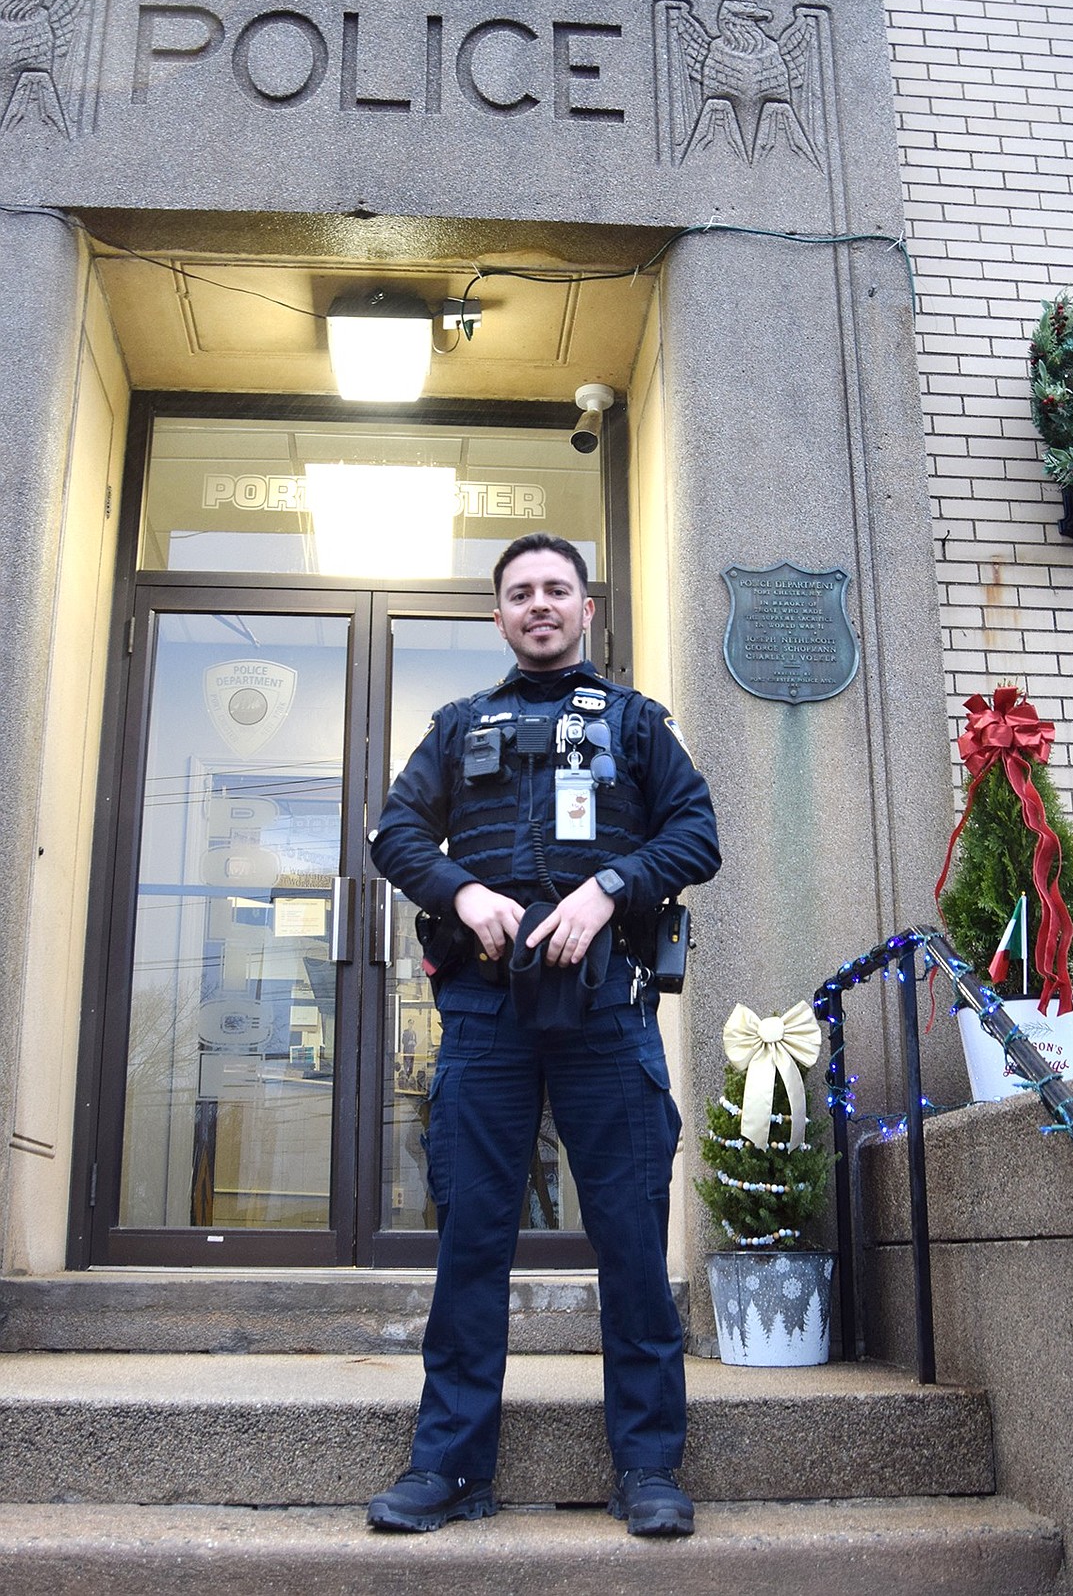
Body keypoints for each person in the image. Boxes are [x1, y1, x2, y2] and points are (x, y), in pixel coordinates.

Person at [367, 533, 721, 1537]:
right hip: (484, 1017)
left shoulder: (637, 724)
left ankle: (647, 1469)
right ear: (497, 616)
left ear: (584, 608)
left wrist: (610, 889)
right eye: (518, 592)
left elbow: (695, 833)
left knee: (629, 1249)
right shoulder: (456, 724)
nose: (537, 605)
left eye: (554, 589)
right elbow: (394, 833)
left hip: (605, 1015)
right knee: (471, 1246)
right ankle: (447, 1470)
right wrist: (461, 889)